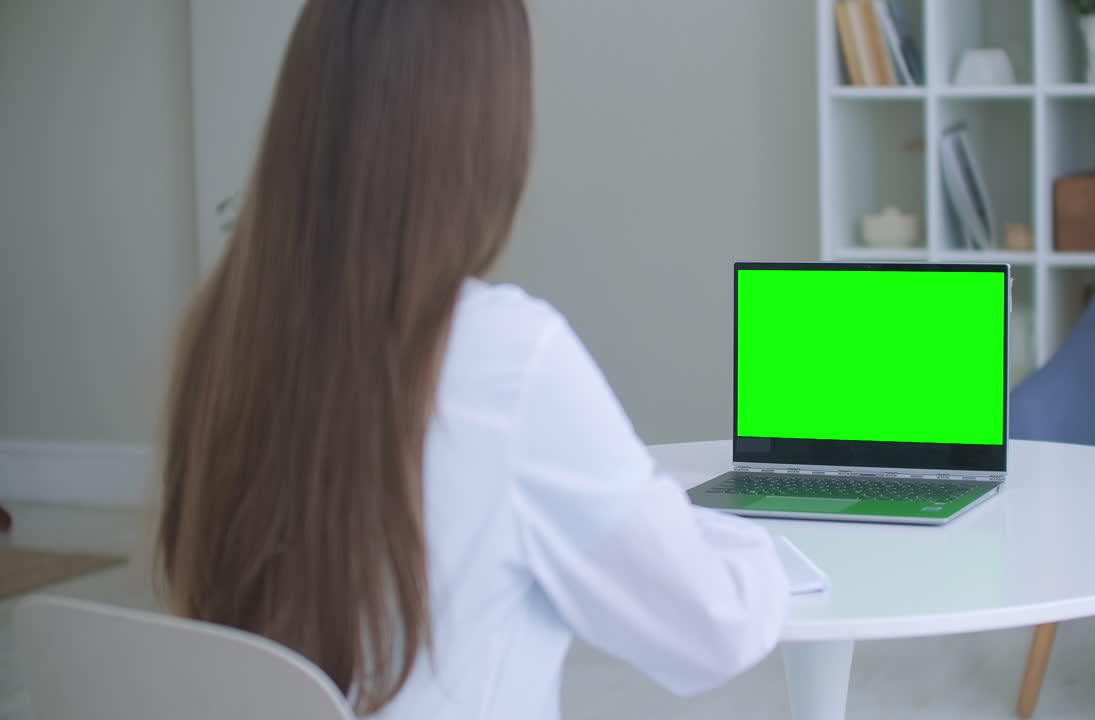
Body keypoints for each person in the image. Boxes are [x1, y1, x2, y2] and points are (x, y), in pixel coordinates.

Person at [155, 1, 789, 718]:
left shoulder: (218, 330)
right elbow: (713, 628)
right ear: (480, 132)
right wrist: (758, 543)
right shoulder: (506, 356)